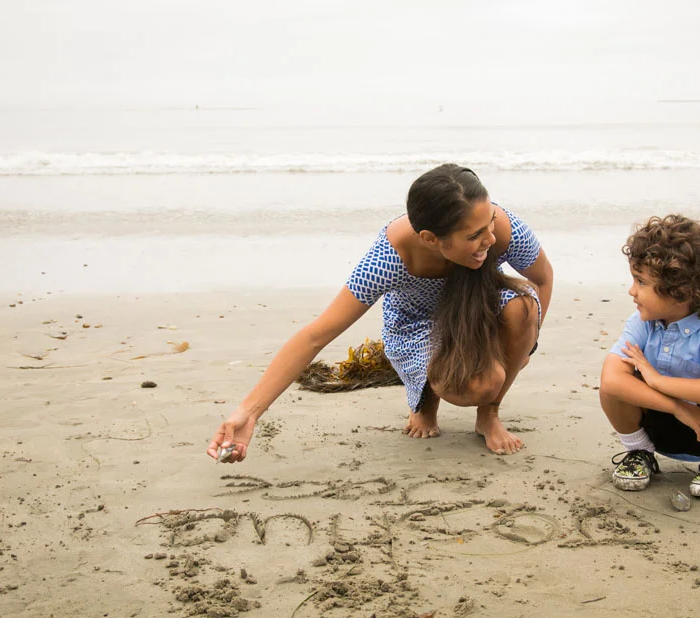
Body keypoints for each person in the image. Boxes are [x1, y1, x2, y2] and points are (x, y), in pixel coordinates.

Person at [207, 164, 553, 461]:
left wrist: (524, 347)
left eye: (490, 222)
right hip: (418, 327)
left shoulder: (500, 228)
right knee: (480, 383)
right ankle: (424, 400)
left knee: (523, 308)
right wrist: (248, 413)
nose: (490, 238)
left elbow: (542, 278)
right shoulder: (389, 258)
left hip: (476, 308)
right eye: (475, 235)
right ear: (431, 239)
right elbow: (316, 335)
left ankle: (489, 415)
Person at [598, 215, 700, 498]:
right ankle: (639, 454)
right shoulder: (641, 323)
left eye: (641, 281)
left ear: (681, 292)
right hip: (654, 425)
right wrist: (676, 406)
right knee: (616, 381)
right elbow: (610, 381)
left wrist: (657, 380)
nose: (631, 290)